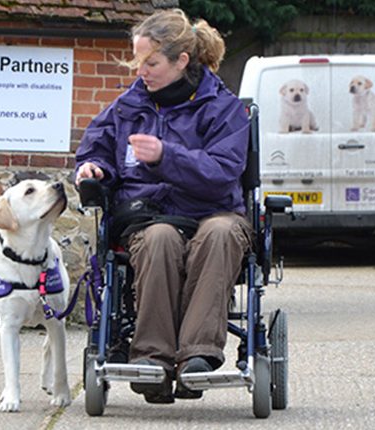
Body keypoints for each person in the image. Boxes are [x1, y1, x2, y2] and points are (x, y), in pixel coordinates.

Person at [74, 8, 252, 404]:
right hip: (149, 215)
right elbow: (96, 151)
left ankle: (198, 357)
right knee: (159, 239)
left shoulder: (223, 108)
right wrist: (93, 169)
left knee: (221, 234)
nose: (141, 71)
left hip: (212, 211)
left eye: (151, 62)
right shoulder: (127, 106)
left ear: (181, 61)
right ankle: (151, 357)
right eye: (138, 62)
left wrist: (165, 156)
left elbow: (223, 173)